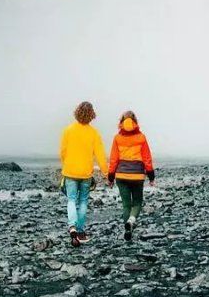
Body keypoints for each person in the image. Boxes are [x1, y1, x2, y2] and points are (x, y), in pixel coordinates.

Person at [59, 101, 107, 247]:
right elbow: (100, 155)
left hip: (70, 171)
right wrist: (106, 172)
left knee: (71, 200)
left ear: (77, 112)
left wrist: (66, 165)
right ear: (91, 115)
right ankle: (80, 231)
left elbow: (63, 151)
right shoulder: (94, 133)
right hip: (86, 173)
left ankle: (72, 227)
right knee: (84, 201)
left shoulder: (68, 130)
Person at [107, 110, 155, 241]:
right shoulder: (141, 137)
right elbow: (147, 158)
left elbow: (113, 159)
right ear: (135, 121)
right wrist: (151, 176)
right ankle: (131, 221)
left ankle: (127, 228)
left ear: (121, 122)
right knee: (137, 203)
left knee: (126, 205)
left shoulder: (117, 138)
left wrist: (110, 177)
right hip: (137, 175)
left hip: (121, 175)